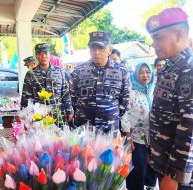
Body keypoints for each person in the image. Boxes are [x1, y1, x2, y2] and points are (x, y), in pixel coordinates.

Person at [146, 8, 193, 190]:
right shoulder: (170, 67)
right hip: (163, 163)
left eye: (158, 37)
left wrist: (173, 176)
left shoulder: (188, 69)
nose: (153, 44)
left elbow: (189, 128)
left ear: (179, 35)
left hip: (179, 175)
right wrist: (154, 151)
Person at [70, 32, 130, 133]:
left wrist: (110, 114)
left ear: (109, 50)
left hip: (109, 129)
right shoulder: (78, 71)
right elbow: (72, 98)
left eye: (101, 48)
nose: (96, 52)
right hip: (84, 129)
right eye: (93, 48)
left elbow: (124, 101)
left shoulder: (121, 71)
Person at [121, 62, 156, 190]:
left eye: (147, 72)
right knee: (139, 166)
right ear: (136, 74)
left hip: (154, 137)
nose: (145, 75)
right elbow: (125, 115)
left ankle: (150, 186)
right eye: (141, 72)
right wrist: (128, 137)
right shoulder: (132, 93)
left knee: (152, 165)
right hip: (137, 137)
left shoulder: (155, 90)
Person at [21, 43, 73, 126]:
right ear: (36, 56)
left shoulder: (59, 71)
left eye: (45, 53)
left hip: (58, 115)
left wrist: (69, 111)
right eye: (40, 54)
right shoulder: (30, 74)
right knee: (40, 138)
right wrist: (24, 116)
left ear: (50, 55)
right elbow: (26, 97)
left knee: (60, 138)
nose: (43, 56)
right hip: (39, 116)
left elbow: (65, 93)